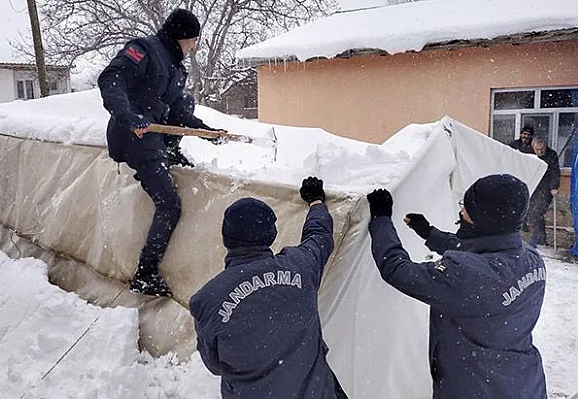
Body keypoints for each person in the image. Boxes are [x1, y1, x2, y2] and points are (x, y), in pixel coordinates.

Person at [366, 174, 547, 398]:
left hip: (475, 389)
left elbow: (397, 269)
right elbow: (482, 251)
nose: (461, 213)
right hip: (522, 383)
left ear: (485, 220)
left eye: (466, 209)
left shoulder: (468, 277)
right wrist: (429, 233)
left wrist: (380, 219)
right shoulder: (531, 259)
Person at [97, 9, 223, 297]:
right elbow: (111, 78)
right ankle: (145, 273)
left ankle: (171, 156)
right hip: (135, 138)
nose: (193, 47)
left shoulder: (176, 69)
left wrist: (206, 131)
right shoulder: (144, 50)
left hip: (157, 139)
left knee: (187, 111)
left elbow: (178, 112)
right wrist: (128, 116)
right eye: (193, 40)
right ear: (182, 36)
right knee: (169, 204)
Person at [190, 177, 347, 399]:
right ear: (272, 235)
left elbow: (215, 365)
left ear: (226, 238)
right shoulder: (300, 266)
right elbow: (319, 236)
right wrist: (316, 202)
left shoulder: (207, 299)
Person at [528, 137, 560, 247]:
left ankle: (537, 240)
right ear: (533, 147)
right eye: (537, 149)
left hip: (546, 188)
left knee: (537, 213)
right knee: (530, 212)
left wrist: (554, 186)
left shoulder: (551, 155)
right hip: (533, 185)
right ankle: (539, 239)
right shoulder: (529, 154)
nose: (540, 152)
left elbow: (555, 172)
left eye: (542, 149)